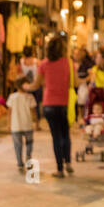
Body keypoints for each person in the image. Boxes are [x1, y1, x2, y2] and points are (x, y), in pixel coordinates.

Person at [27, 37, 74, 178]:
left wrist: (24, 86)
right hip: (63, 103)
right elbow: (74, 83)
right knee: (65, 134)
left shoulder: (44, 64)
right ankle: (69, 163)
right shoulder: (68, 63)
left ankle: (60, 169)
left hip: (48, 104)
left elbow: (35, 85)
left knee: (56, 136)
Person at [5, 80, 35, 173]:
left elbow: (9, 112)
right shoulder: (30, 97)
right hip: (28, 125)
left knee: (17, 145)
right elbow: (33, 111)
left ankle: (20, 164)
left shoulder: (12, 97)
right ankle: (28, 157)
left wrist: (8, 124)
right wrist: (36, 122)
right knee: (29, 143)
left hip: (16, 125)